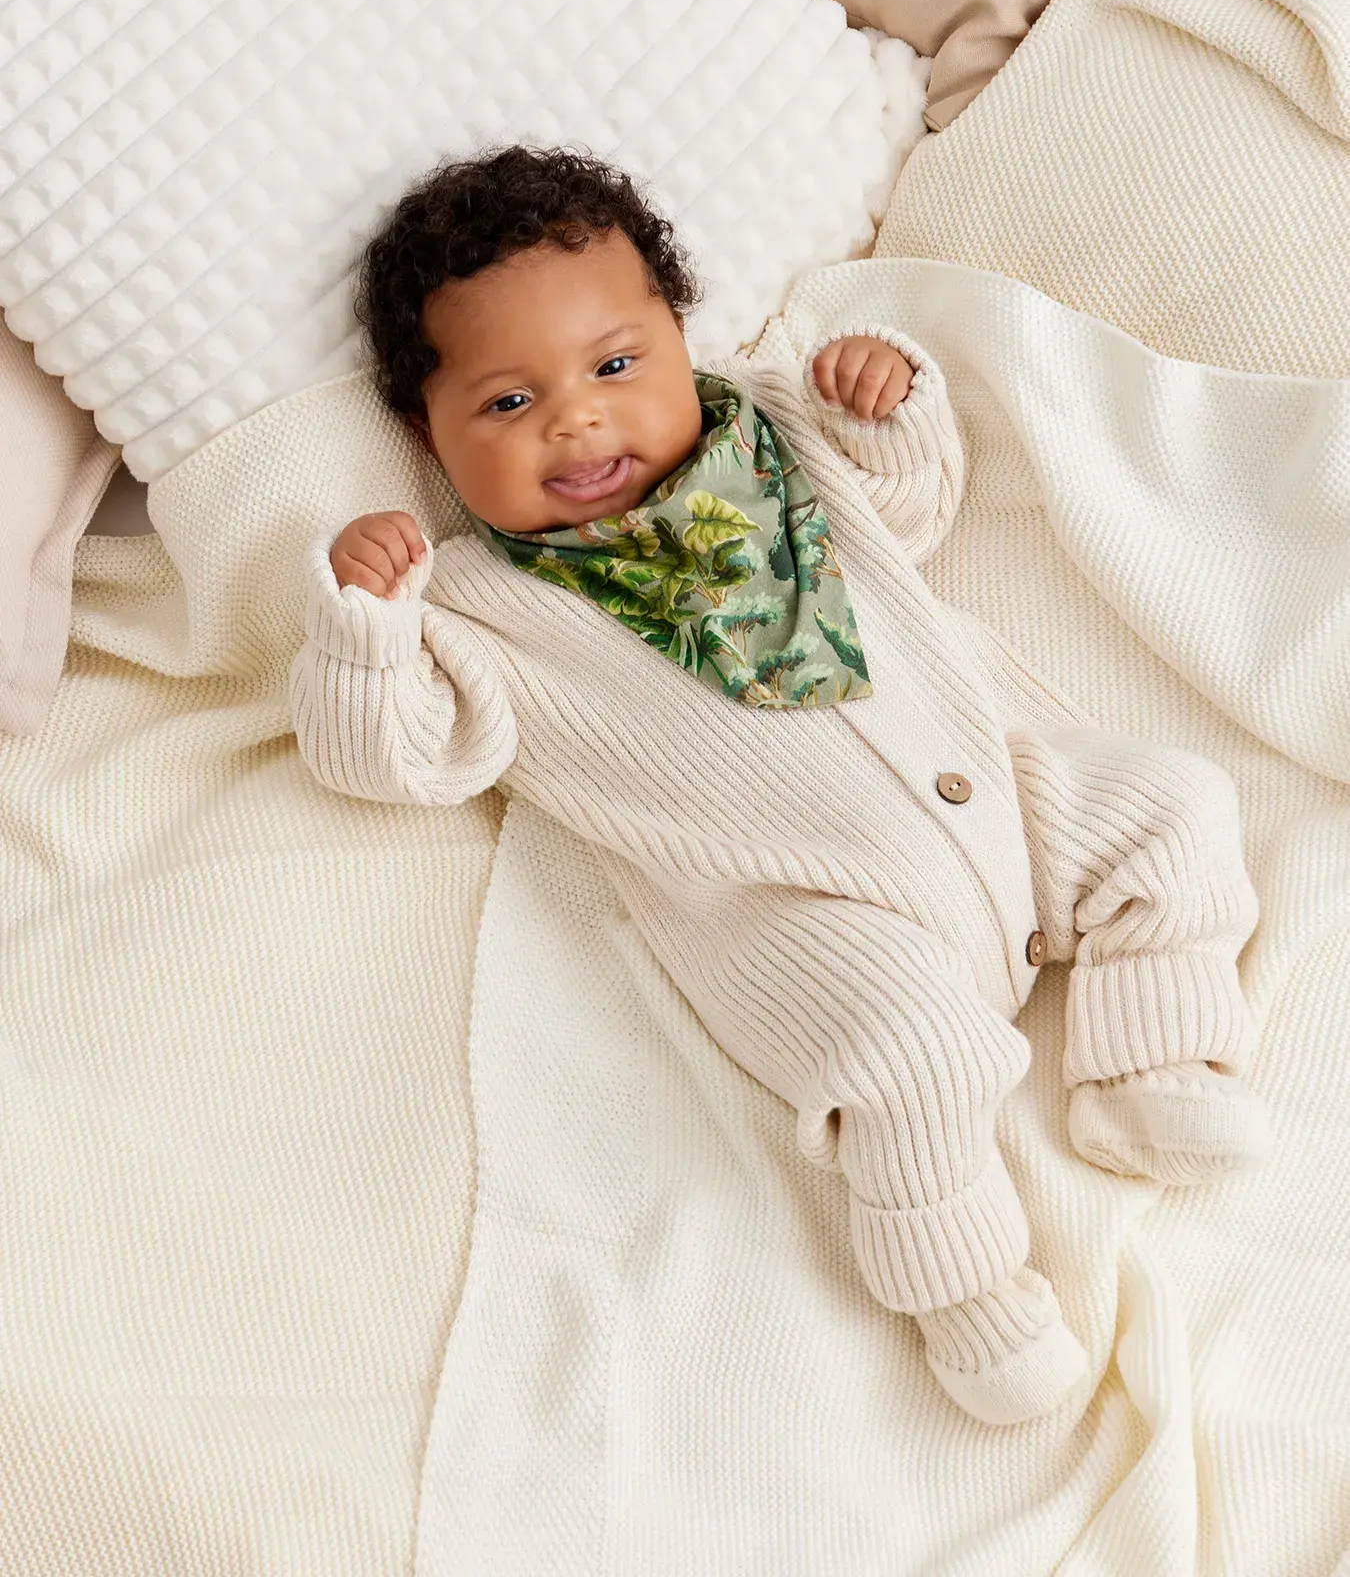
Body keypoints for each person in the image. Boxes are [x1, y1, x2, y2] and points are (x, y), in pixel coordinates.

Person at [290, 145, 1270, 1425]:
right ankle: (969, 1294)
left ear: (678, 337)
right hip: (807, 914)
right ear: (428, 433)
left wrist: (885, 411)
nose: (577, 421)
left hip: (995, 786)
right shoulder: (480, 611)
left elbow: (912, 510)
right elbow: (393, 755)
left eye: (615, 367)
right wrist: (364, 629)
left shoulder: (773, 432)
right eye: (510, 403)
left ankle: (1150, 1066)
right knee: (904, 1061)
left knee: (1174, 804)